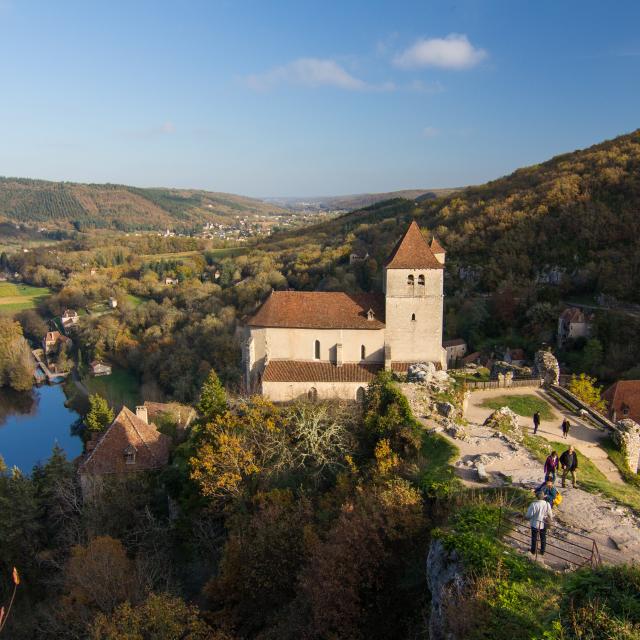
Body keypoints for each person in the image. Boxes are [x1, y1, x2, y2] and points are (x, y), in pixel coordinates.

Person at [526, 490, 553, 556]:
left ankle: (533, 551)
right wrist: (550, 520)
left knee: (534, 537)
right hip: (544, 523)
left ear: (537, 497)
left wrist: (526, 517)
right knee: (543, 537)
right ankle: (542, 551)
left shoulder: (534, 504)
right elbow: (550, 514)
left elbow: (529, 515)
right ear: (543, 497)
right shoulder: (547, 504)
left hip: (535, 523)